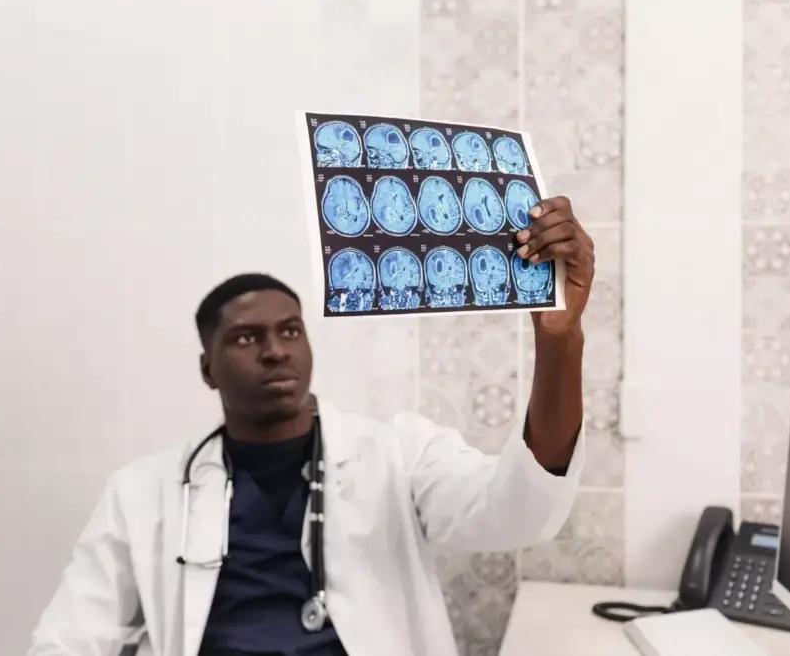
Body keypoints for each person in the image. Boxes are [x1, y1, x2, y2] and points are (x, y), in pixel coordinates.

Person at [29, 196, 595, 656]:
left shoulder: (397, 455)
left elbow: (519, 509)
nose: (276, 351)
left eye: (291, 331)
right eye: (246, 338)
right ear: (207, 369)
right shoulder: (140, 493)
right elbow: (70, 637)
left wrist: (560, 340)